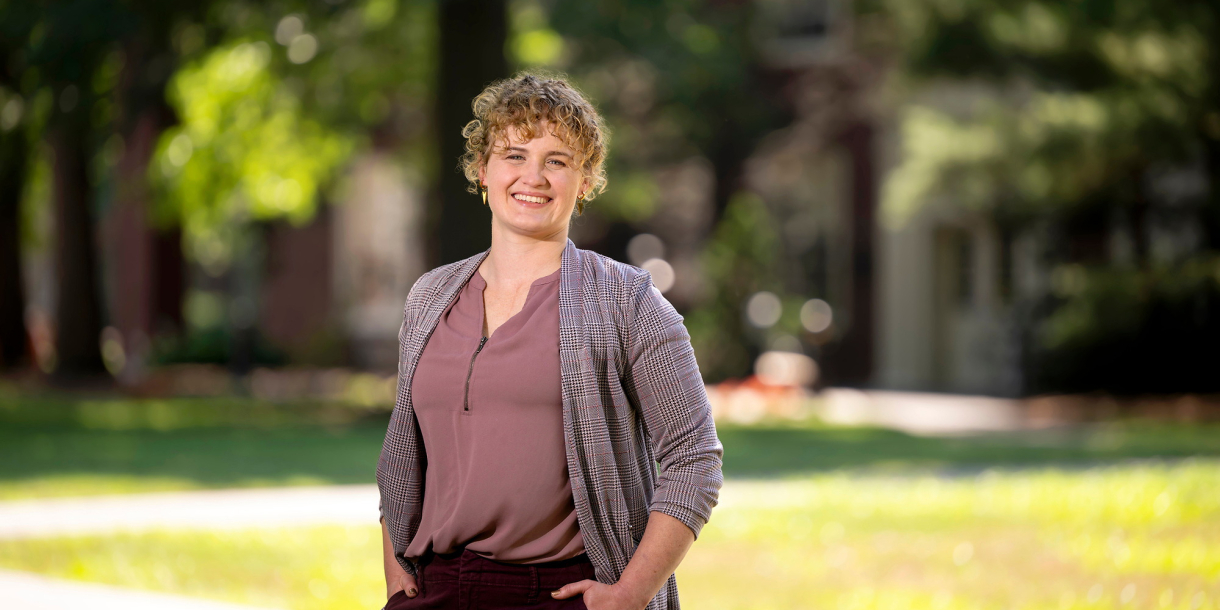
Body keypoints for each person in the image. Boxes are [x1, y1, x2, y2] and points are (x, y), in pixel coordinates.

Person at [377, 72, 723, 610]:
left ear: (585, 180)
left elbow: (693, 456)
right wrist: (392, 561)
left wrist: (630, 594)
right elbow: (404, 449)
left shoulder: (625, 301)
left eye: (557, 160)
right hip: (435, 586)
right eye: (513, 155)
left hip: (561, 592)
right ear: (481, 170)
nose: (532, 177)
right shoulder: (431, 297)